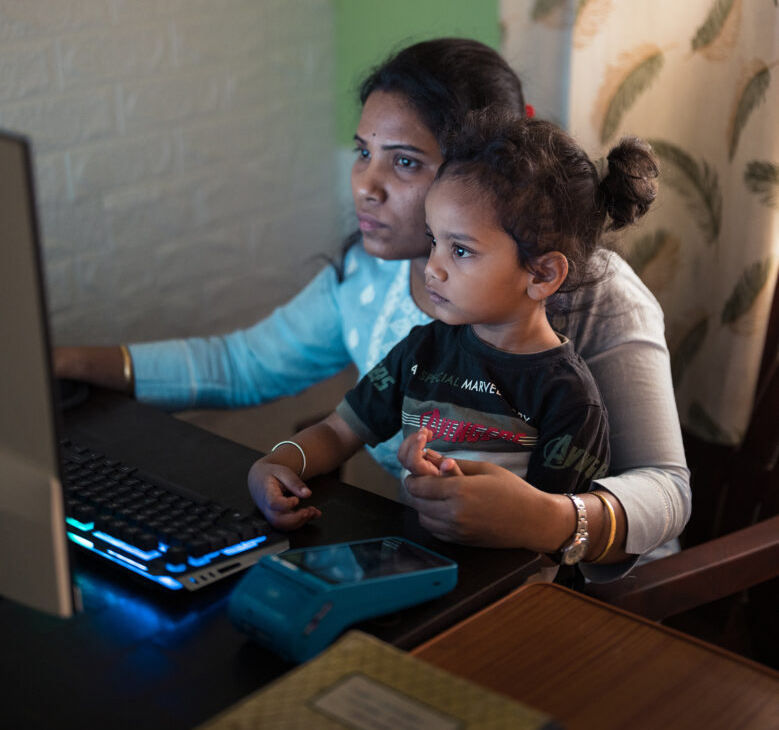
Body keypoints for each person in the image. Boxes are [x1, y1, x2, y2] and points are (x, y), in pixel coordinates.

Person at [54, 37, 691, 576]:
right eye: (363, 152)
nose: (366, 185)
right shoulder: (371, 277)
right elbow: (241, 364)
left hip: (597, 596)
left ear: (479, 176)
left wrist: (551, 519)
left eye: (405, 162)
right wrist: (63, 361)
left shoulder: (596, 296)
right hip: (451, 571)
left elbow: (666, 489)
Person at [248, 110, 652, 543]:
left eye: (460, 250)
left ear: (541, 274)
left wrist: (476, 502)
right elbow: (337, 430)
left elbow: (549, 538)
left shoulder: (568, 398)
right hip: (413, 562)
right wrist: (276, 464)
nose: (433, 268)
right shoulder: (422, 351)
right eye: (434, 239)